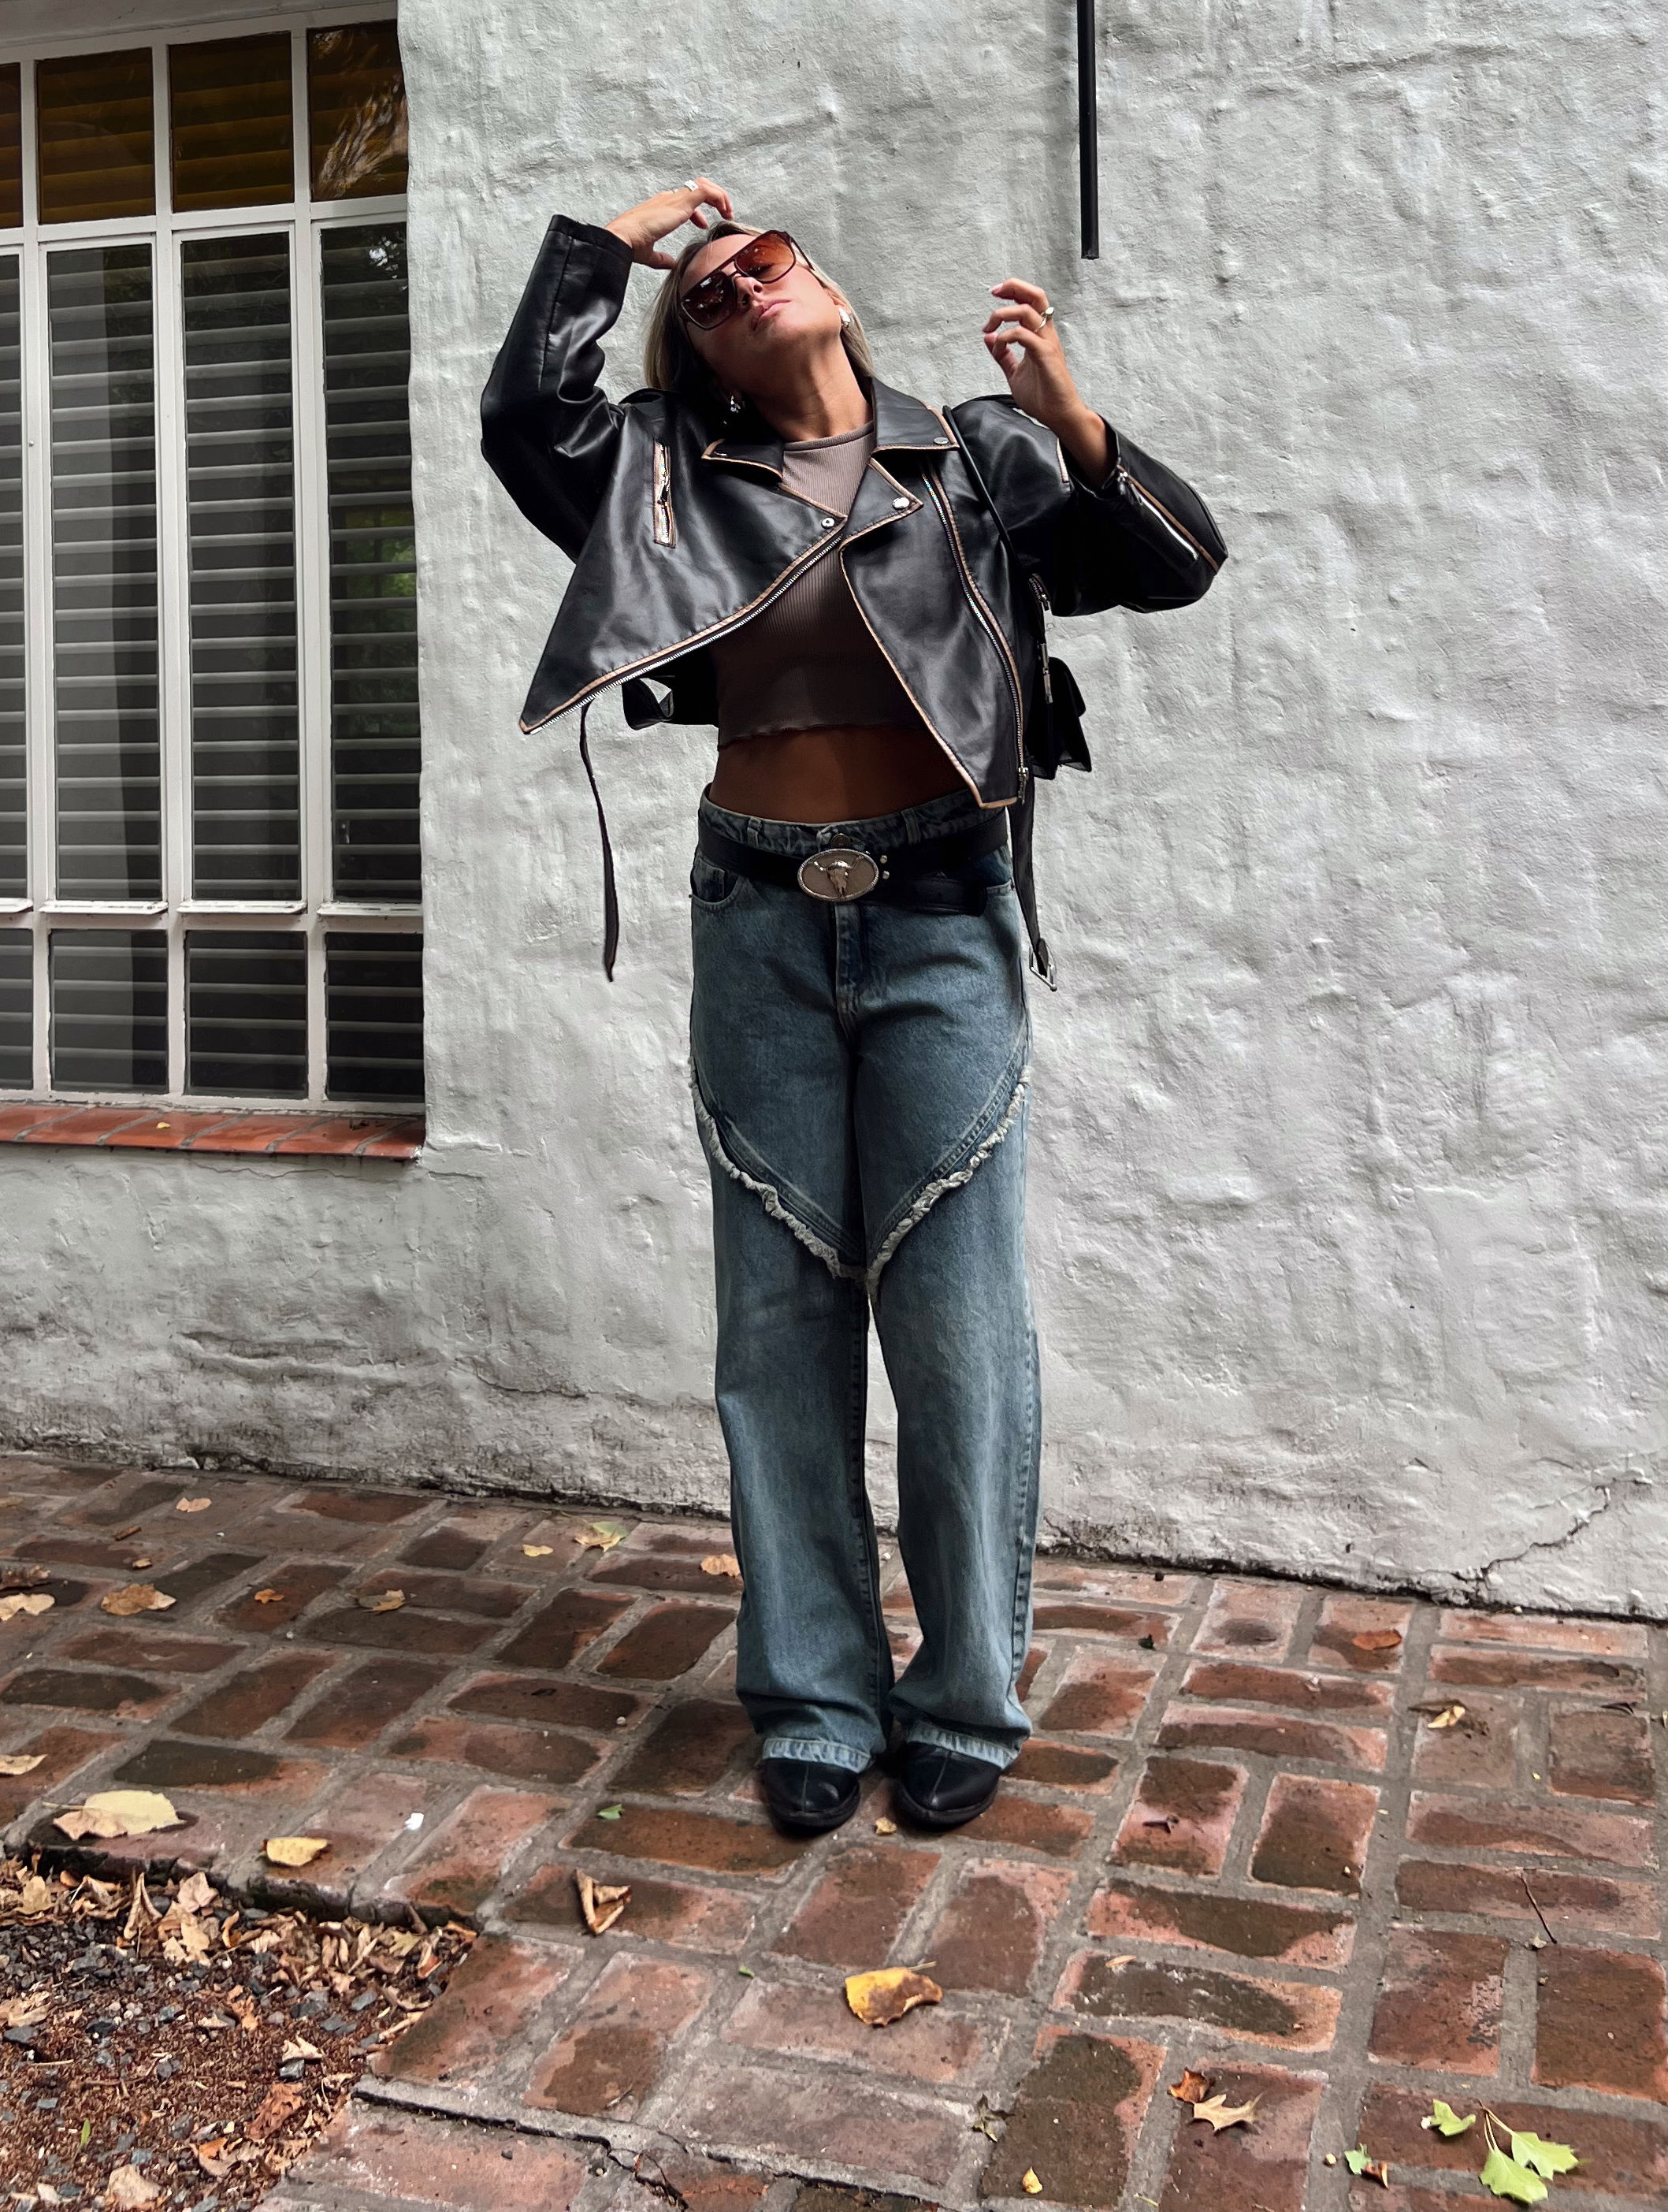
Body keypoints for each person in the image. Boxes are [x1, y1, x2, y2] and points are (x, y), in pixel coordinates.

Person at [481, 181, 1225, 1835]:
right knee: (779, 1325)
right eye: (713, 292)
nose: (745, 282)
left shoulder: (976, 452)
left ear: (823, 283)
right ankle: (815, 1692)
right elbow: (526, 420)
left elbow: (1174, 568)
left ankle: (965, 1692)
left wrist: (1074, 420)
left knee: (956, 1330)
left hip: (941, 905)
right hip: (757, 910)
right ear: (700, 356)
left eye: (767, 260)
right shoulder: (662, 474)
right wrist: (611, 248)